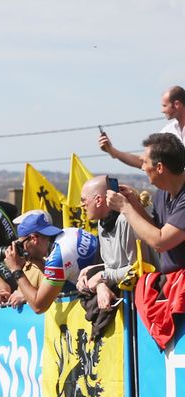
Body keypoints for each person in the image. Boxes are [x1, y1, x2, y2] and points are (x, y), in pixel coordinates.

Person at [107, 133, 185, 274]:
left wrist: (125, 208)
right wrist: (133, 202)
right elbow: (155, 229)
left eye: (145, 162)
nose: (142, 168)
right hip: (173, 283)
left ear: (159, 167)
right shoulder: (162, 193)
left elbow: (160, 242)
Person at [78, 176, 158, 309]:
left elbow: (138, 268)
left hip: (146, 304)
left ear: (98, 200)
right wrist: (95, 276)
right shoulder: (102, 223)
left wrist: (102, 276)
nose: (81, 205)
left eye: (83, 200)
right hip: (128, 305)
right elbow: (115, 266)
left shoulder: (125, 221)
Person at [3, 212, 99, 314]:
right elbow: (64, 276)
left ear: (34, 239)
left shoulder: (58, 258)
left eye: (22, 244)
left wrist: (16, 270)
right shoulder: (69, 232)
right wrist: (38, 261)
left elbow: (39, 306)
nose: (23, 249)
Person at [99, 86, 185, 168]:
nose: (162, 111)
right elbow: (145, 162)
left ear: (177, 104)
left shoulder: (167, 133)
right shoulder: (168, 131)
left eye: (164, 106)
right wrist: (113, 152)